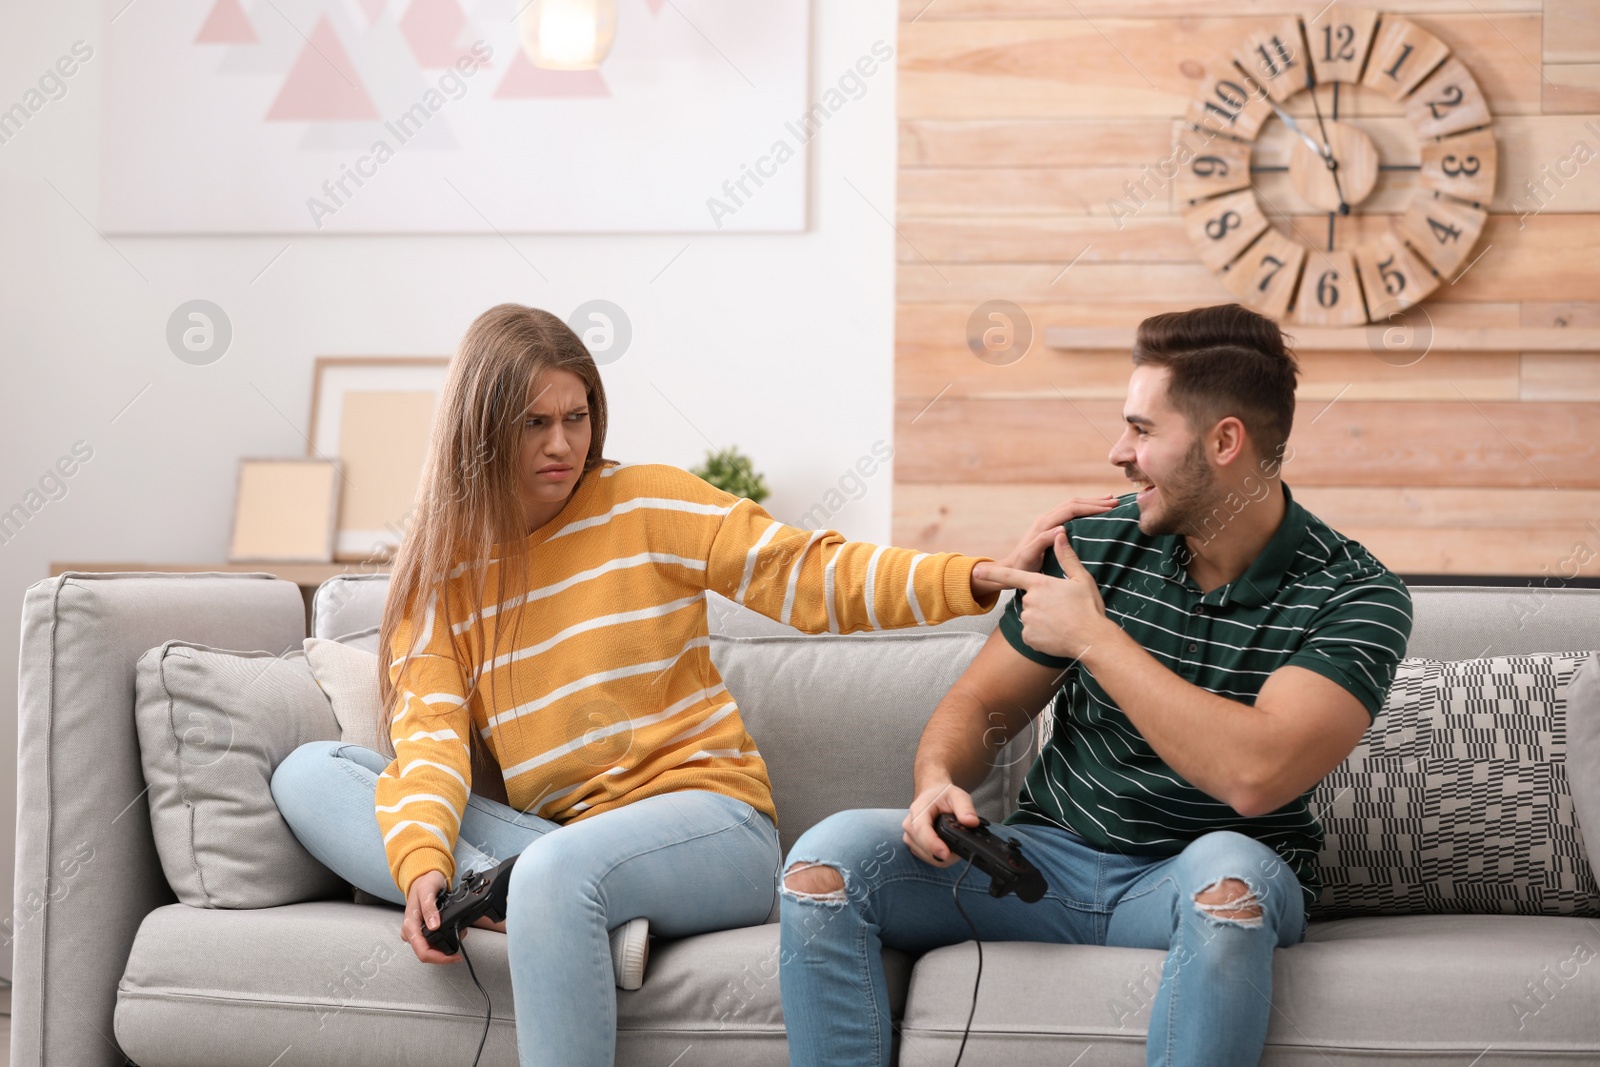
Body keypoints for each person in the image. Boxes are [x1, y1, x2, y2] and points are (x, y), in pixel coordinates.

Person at [269, 303, 1119, 1067]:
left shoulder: (644, 504)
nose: (562, 444)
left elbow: (806, 574)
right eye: (535, 423)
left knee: (555, 874)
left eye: (577, 417)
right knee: (311, 773)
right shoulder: (441, 575)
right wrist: (421, 864)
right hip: (565, 839)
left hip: (712, 828)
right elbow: (428, 740)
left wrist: (975, 573)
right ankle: (532, 902)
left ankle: (541, 899)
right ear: (480, 429)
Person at [777, 303, 1414, 1067]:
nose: (1119, 452)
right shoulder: (1098, 543)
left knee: (1230, 885)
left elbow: (1256, 775)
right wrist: (937, 782)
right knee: (826, 860)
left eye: (1143, 430)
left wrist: (1095, 638)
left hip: (1198, 874)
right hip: (1044, 862)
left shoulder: (1356, 596)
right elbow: (983, 705)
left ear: (1224, 441)